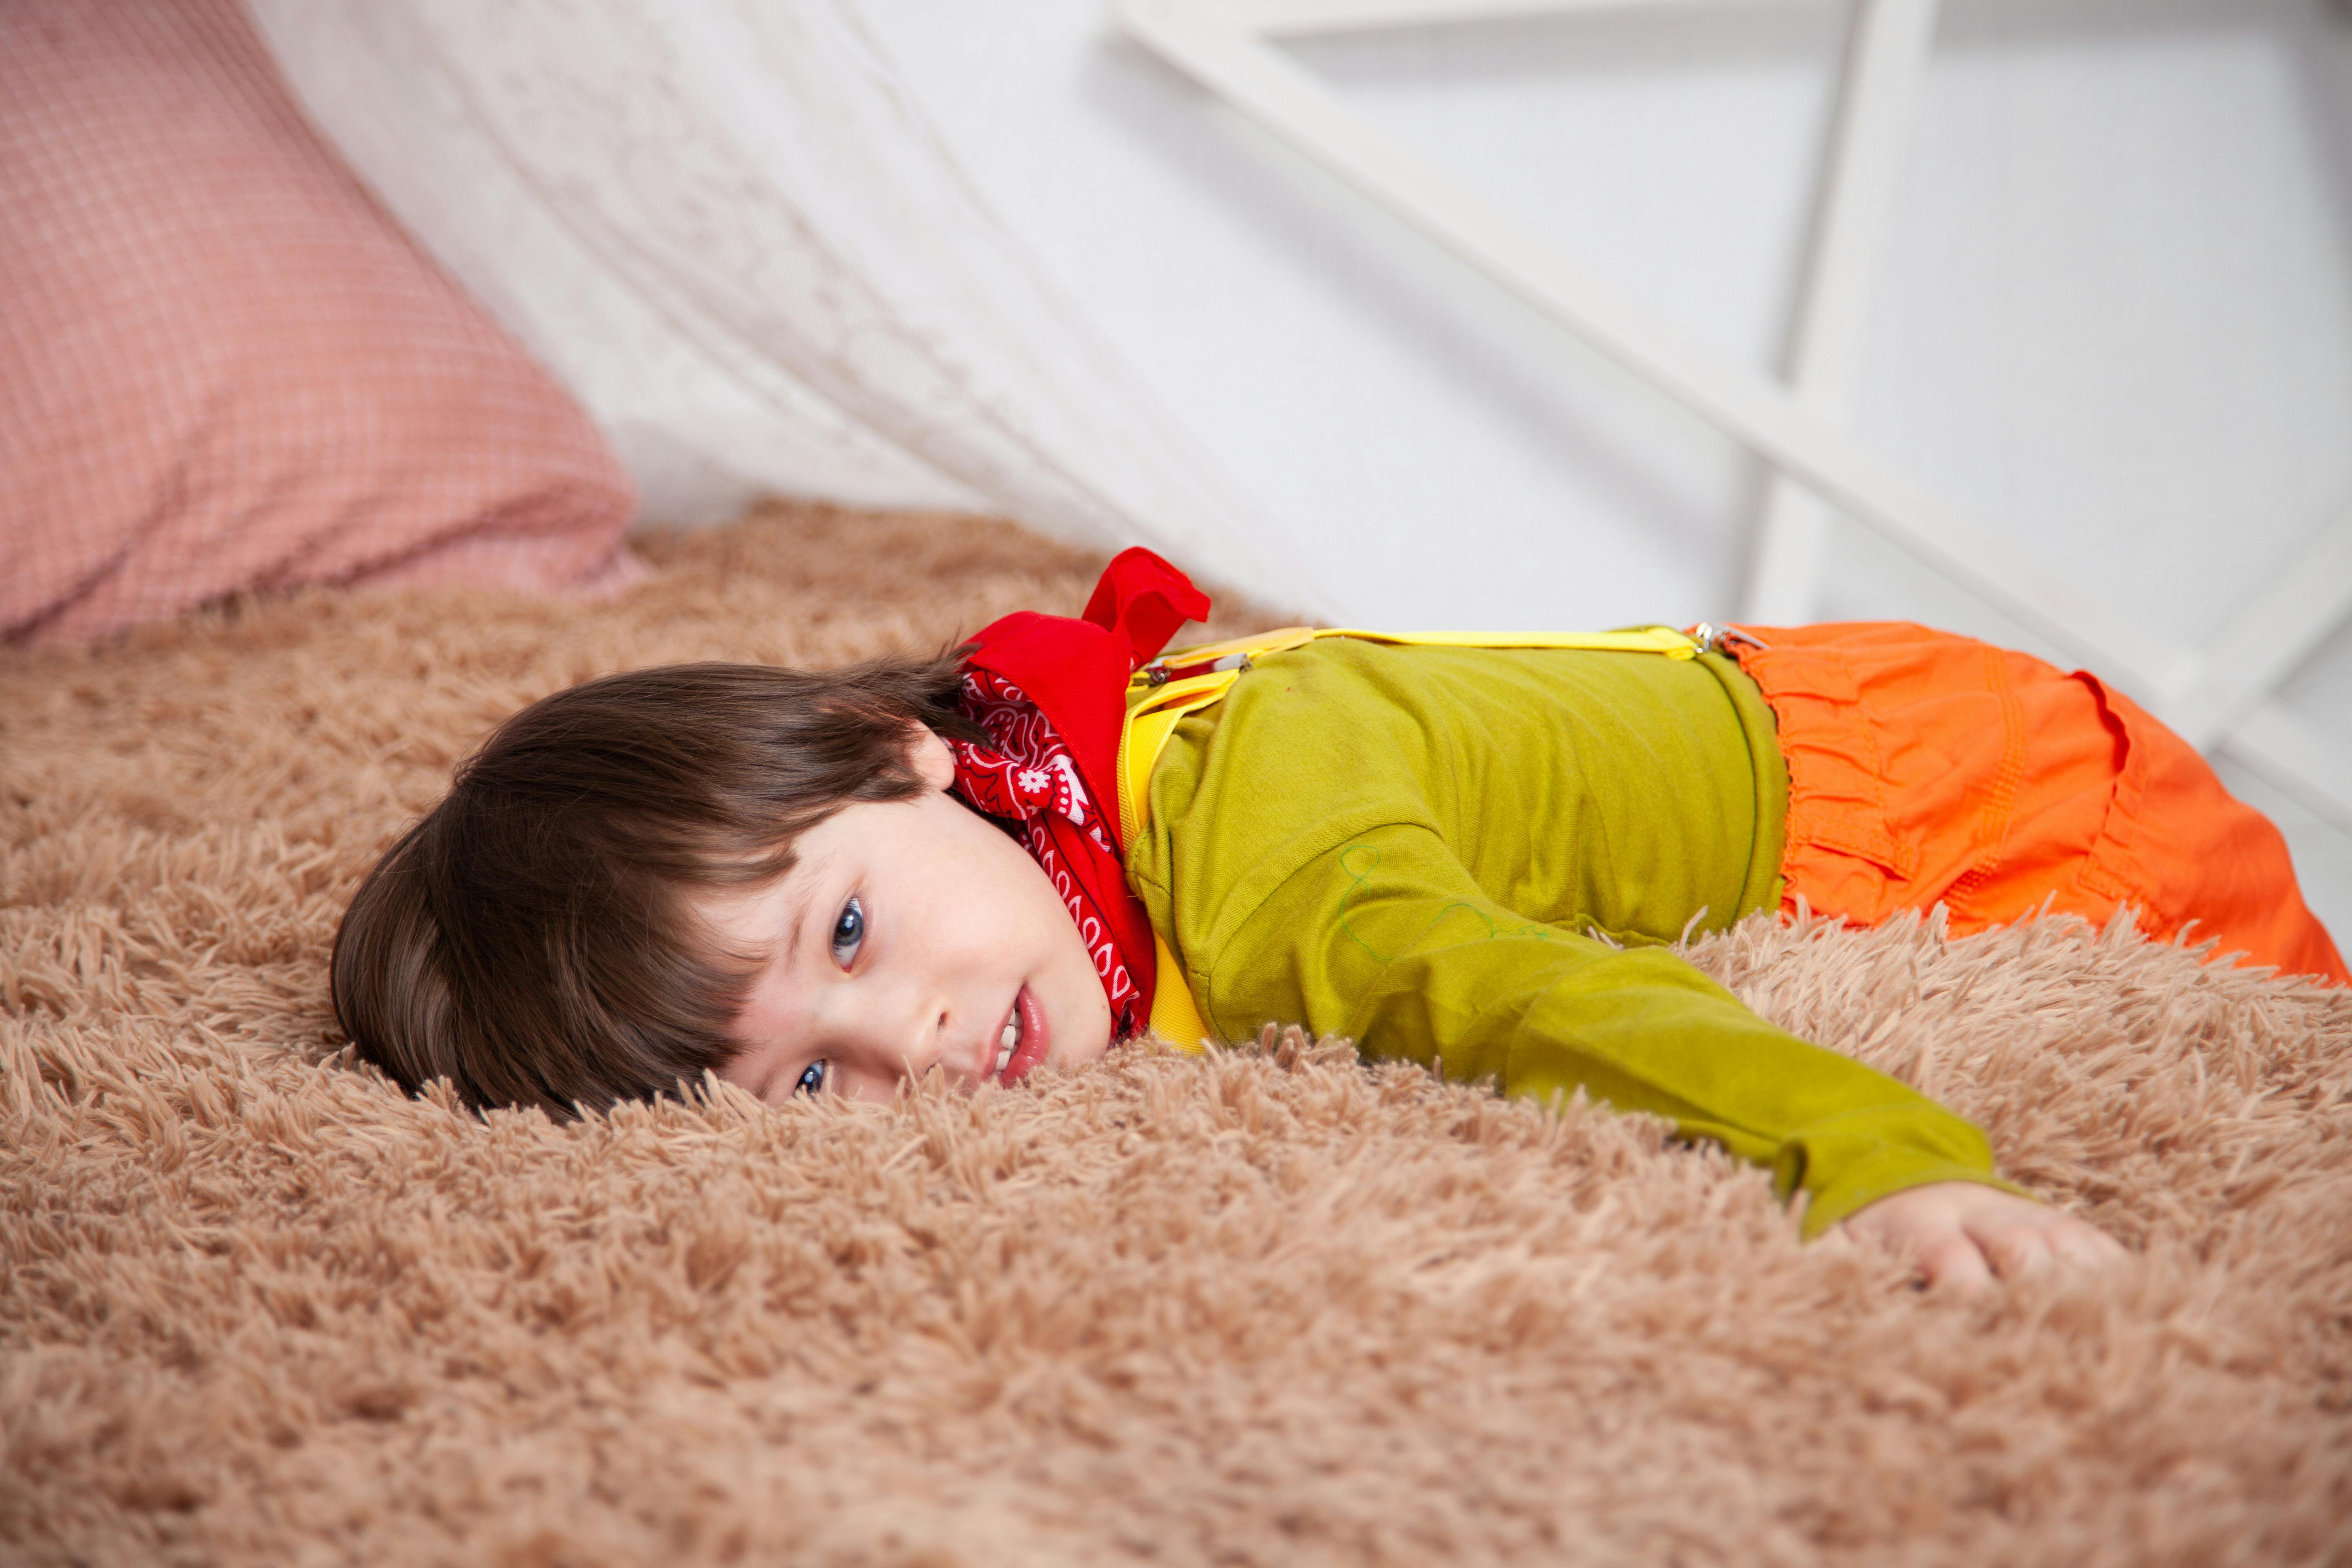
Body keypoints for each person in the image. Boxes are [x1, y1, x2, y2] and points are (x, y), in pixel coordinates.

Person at [332, 550, 2345, 1291]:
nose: (914, 1050)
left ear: (902, 756)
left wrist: (1889, 1166)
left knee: (2295, 1026)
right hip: (1822, 682)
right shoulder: (1057, 773)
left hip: (1984, 796)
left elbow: (1555, 1003)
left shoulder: (1284, 882)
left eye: (848, 947)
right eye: (800, 1090)